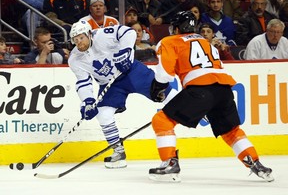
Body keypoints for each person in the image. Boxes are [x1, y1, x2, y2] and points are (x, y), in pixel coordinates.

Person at [148, 10, 274, 182]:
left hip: (200, 89)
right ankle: (256, 163)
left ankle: (170, 163)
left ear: (177, 28)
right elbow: (218, 65)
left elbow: (165, 75)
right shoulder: (205, 42)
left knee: (161, 121)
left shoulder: (170, 41)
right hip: (223, 89)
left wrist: (157, 88)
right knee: (230, 131)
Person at [68, 20, 178, 169]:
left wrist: (125, 51)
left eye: (81, 37)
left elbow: (129, 32)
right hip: (110, 84)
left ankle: (190, 106)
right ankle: (118, 153)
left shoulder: (102, 35)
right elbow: (83, 82)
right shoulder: (74, 59)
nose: (79, 42)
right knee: (103, 114)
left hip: (131, 71)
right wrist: (87, 101)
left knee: (161, 91)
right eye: (75, 40)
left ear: (89, 34)